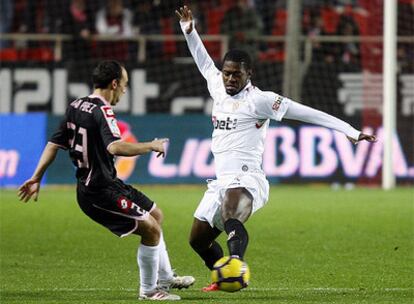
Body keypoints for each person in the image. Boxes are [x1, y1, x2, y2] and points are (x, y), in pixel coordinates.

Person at [175, 6, 377, 292]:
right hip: (220, 180)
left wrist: (349, 130)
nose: (230, 79)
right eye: (228, 74)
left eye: (237, 75)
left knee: (232, 213)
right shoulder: (217, 86)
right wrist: (189, 29)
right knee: (197, 240)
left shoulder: (261, 100)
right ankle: (224, 276)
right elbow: (203, 61)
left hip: (247, 179)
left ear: (249, 74)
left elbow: (307, 112)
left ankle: (236, 264)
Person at [18, 60, 194, 300]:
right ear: (114, 83)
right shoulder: (103, 110)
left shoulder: (76, 105)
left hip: (107, 183)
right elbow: (115, 147)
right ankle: (149, 290)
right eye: (124, 84)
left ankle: (165, 278)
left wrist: (36, 177)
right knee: (151, 230)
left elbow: (54, 143)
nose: (124, 90)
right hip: (98, 191)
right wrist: (150, 146)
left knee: (156, 216)